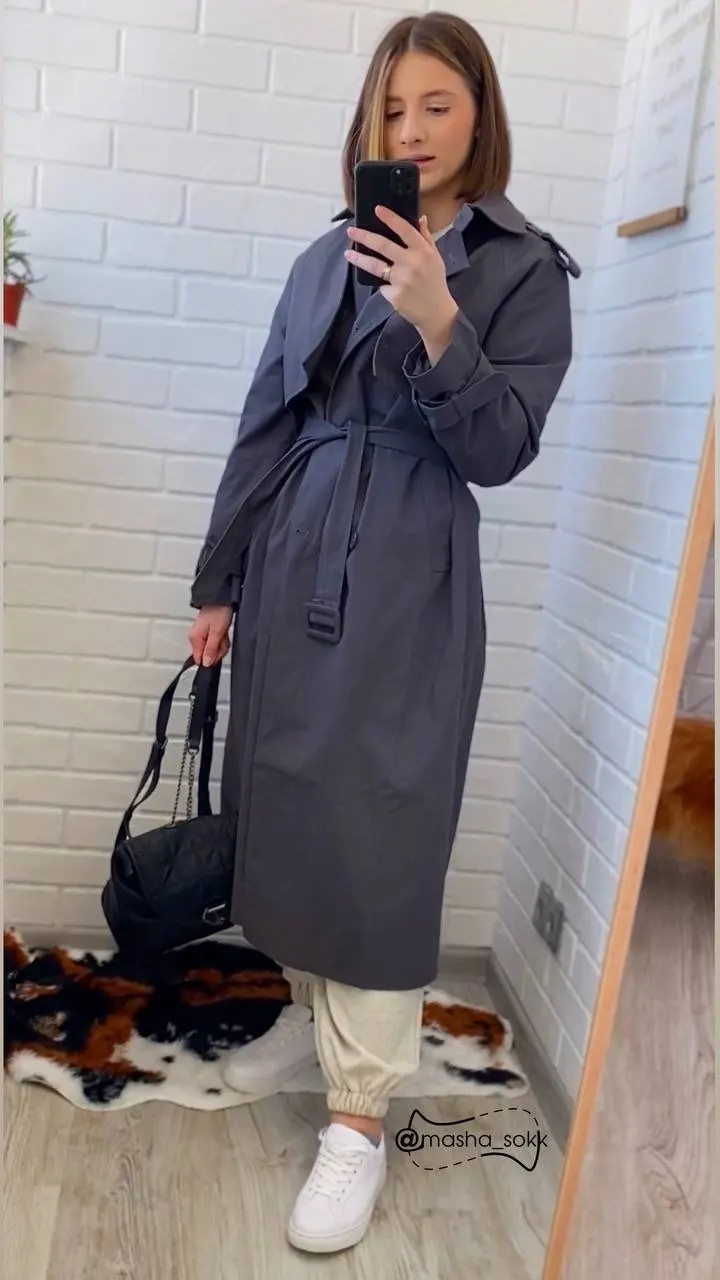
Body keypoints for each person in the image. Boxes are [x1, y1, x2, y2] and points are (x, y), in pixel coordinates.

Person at [188, 9, 578, 1256]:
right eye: (392, 108)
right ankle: (318, 1024)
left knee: (381, 819)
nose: (410, 129)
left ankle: (359, 1118)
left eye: (437, 106)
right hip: (296, 539)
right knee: (290, 797)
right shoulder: (325, 254)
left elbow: (503, 450)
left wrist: (439, 322)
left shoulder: (522, 267)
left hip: (409, 564)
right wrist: (218, 579)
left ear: (480, 116)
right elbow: (264, 416)